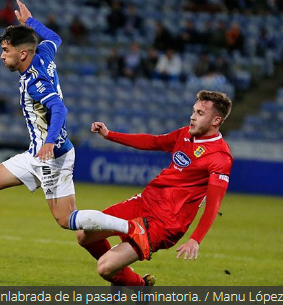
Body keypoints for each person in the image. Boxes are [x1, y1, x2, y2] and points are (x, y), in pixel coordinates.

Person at [0, 0, 144, 257]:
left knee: (66, 219)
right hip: (38, 153)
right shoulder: (44, 52)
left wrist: (49, 141)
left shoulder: (35, 82)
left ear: (22, 53)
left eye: (5, 49)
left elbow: (59, 108)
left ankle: (131, 227)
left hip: (51, 156)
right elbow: (55, 37)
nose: (2, 55)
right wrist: (30, 22)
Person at [74, 90, 233, 287]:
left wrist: (195, 239)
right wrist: (110, 135)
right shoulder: (185, 133)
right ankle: (124, 276)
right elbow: (153, 141)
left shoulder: (220, 157)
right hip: (145, 202)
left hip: (165, 223)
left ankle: (139, 286)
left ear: (216, 120)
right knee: (84, 234)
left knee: (105, 268)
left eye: (200, 113)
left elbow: (213, 205)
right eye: (194, 111)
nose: (192, 116)